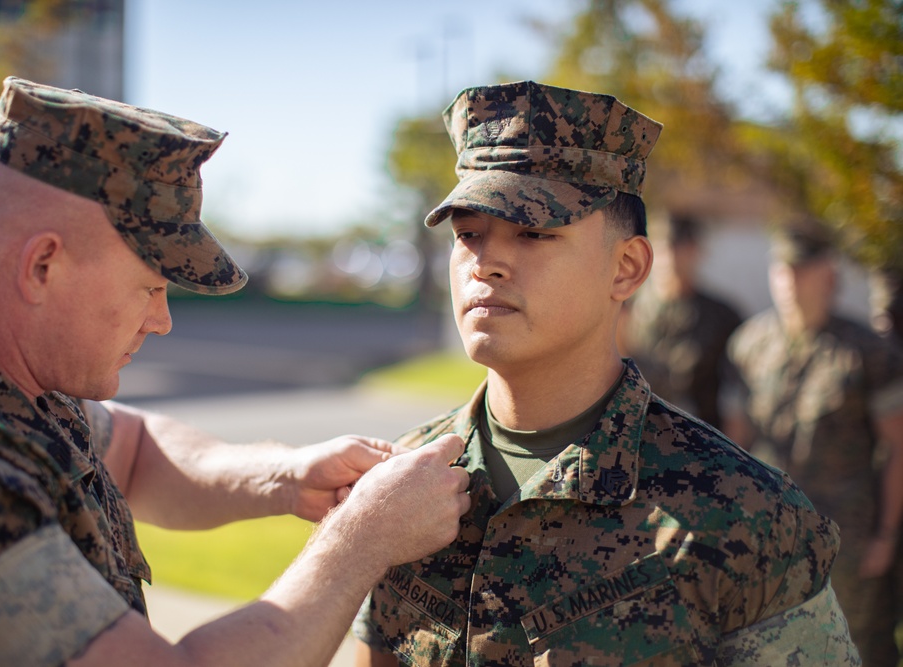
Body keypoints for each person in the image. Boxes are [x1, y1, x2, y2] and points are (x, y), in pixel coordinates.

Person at [0, 77, 472, 667]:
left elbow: (136, 450)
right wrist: (361, 540)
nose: (162, 320)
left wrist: (286, 475)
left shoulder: (2, 378)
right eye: (149, 288)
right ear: (43, 266)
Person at [352, 80, 858, 666]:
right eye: (467, 234)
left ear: (626, 267)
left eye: (534, 231)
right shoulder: (404, 478)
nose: (485, 263)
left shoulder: (743, 514)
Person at [727, 223, 903, 667]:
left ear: (829, 275)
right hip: (769, 536)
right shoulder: (750, 344)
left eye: (802, 270)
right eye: (782, 271)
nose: (790, 283)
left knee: (855, 646)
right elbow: (732, 446)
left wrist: (885, 534)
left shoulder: (867, 351)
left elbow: (898, 447)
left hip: (846, 537)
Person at [620, 214, 743, 431]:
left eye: (682, 249)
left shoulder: (721, 316)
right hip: (638, 431)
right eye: (666, 249)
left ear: (697, 252)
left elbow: (738, 396)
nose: (673, 258)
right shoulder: (626, 308)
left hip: (700, 439)